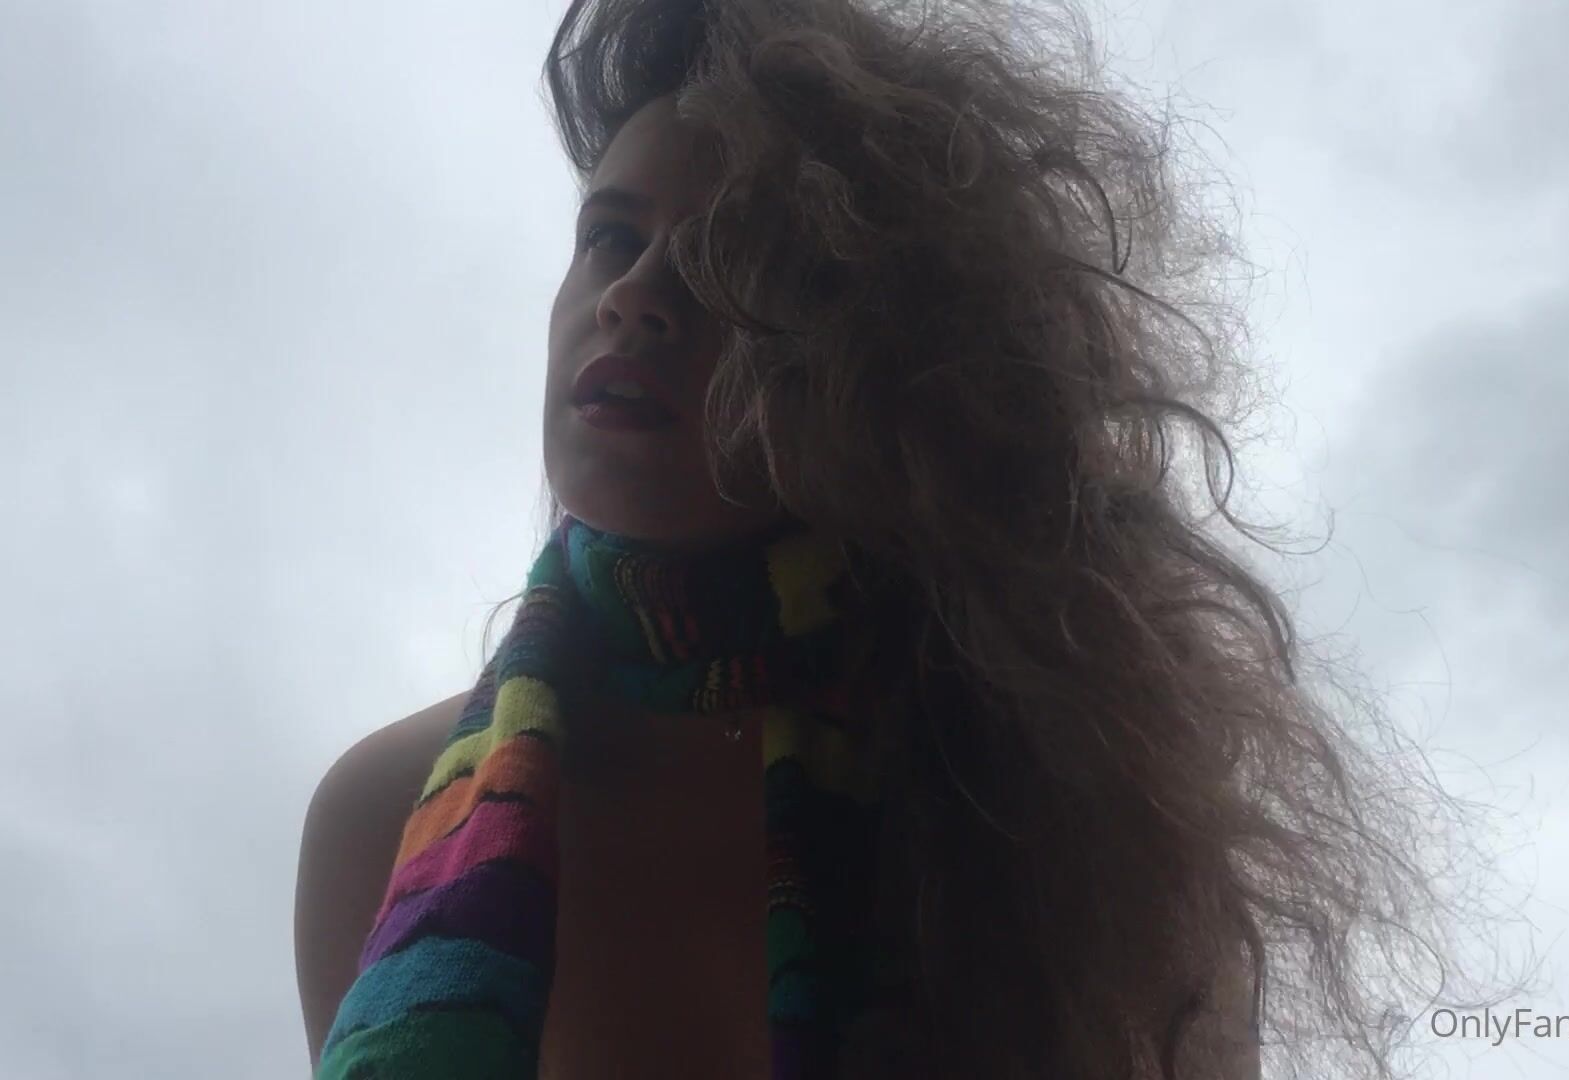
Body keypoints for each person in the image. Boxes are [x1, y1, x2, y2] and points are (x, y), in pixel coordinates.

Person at [294, 1, 1465, 1077]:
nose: (636, 295)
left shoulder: (1082, 828)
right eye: (611, 235)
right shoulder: (381, 817)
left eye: (735, 259)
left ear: (895, 358)